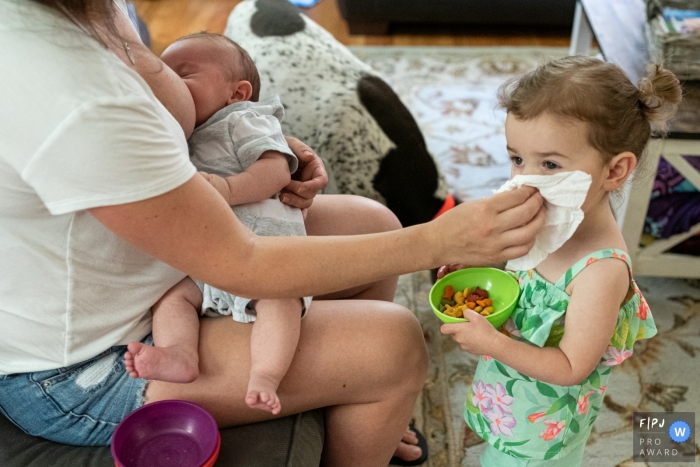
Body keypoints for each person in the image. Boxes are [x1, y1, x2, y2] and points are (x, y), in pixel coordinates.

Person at [0, 0, 545, 465]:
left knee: (371, 220)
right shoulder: (63, 85)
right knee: (396, 343)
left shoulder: (92, 11)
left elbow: (159, 117)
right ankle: (367, 391)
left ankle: (354, 403)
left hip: (154, 262)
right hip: (83, 363)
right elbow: (245, 263)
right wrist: (439, 240)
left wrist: (267, 146)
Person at [439, 56, 681, 466]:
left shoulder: (600, 271)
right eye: (517, 159)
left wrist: (493, 344)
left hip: (543, 433)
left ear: (615, 170)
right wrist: (479, 275)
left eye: (549, 165)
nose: (525, 180)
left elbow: (571, 366)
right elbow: (521, 281)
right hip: (511, 401)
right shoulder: (544, 224)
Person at [125, 32, 313, 416]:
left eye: (184, 75)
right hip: (207, 257)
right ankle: (180, 354)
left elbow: (276, 168)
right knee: (173, 298)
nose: (169, 83)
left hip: (265, 248)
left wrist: (229, 188)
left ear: (237, 93)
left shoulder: (242, 121)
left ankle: (265, 374)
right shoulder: (181, 130)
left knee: (281, 300)